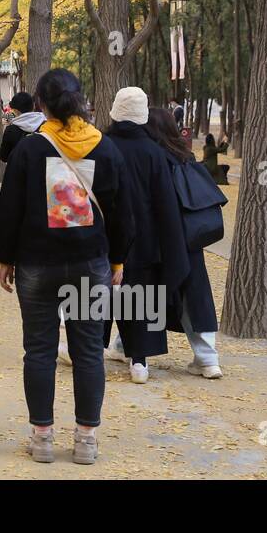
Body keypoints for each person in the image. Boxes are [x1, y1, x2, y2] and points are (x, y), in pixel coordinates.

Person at [0, 68, 134, 465]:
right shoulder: (105, 149)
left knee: (38, 349)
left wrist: (4, 255)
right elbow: (123, 213)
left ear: (41, 104)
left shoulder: (30, 149)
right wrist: (118, 258)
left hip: (37, 262)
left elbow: (9, 210)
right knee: (88, 350)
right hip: (90, 263)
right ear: (80, 100)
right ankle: (86, 439)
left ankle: (42, 438)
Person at [104, 89, 189, 385]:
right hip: (143, 242)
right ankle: (138, 360)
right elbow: (165, 205)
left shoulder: (102, 146)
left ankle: (89, 351)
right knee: (138, 299)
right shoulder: (154, 153)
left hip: (103, 239)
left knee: (97, 297)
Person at [146, 107, 223, 378]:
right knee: (194, 295)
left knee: (146, 290)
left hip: (158, 237)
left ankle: (127, 346)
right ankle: (207, 357)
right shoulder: (185, 155)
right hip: (190, 236)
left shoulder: (153, 158)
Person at [0, 91, 45, 162]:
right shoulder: (45, 123)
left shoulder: (11, 130)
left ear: (16, 111)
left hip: (19, 170)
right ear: (33, 106)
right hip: (42, 170)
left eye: (12, 110)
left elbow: (3, 156)